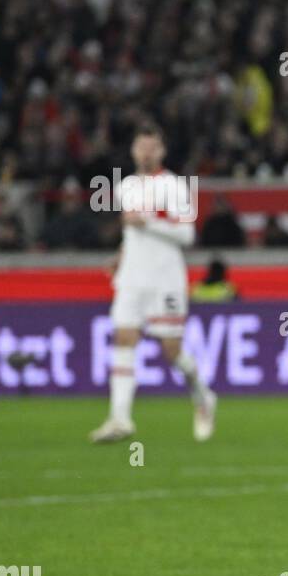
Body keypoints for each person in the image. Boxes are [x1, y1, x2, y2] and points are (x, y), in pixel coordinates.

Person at [90, 122, 217, 444]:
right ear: (133, 150)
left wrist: (147, 222)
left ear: (161, 151)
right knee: (123, 338)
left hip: (165, 279)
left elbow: (186, 235)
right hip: (132, 276)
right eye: (141, 147)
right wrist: (120, 256)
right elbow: (131, 233)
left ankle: (203, 395)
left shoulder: (175, 187)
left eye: (152, 147)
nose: (146, 153)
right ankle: (120, 418)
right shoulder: (126, 186)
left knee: (171, 351)